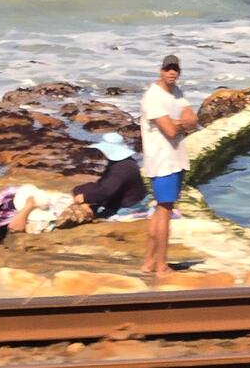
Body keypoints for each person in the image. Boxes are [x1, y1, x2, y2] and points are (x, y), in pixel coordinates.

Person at [140, 54, 198, 275]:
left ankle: (148, 262)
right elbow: (171, 130)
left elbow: (192, 120)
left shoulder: (177, 93)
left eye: (176, 69)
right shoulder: (153, 97)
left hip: (176, 160)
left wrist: (179, 122)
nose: (172, 72)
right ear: (161, 71)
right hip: (162, 161)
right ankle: (161, 266)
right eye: (168, 69)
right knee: (165, 211)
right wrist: (179, 123)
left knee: (161, 209)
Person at [72, 133, 147, 218]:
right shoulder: (127, 162)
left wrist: (85, 197)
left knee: (89, 208)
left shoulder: (120, 169)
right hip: (134, 198)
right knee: (80, 189)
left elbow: (106, 191)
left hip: (127, 206)